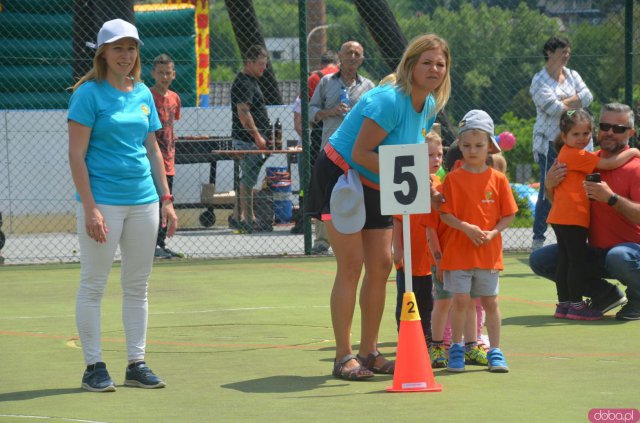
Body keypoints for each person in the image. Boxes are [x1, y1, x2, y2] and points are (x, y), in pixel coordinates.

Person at [307, 33, 451, 380]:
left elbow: (406, 155)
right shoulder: (388, 100)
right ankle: (343, 357)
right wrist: (406, 182)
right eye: (427, 62)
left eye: (440, 64)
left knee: (383, 264)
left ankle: (369, 352)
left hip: (378, 180)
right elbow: (360, 154)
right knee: (352, 265)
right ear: (410, 65)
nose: (434, 69)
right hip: (343, 176)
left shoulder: (429, 105)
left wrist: (424, 187)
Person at [68, 18, 177, 392]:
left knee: (137, 285)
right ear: (103, 53)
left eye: (131, 49)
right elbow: (77, 155)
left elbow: (152, 149)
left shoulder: (143, 92)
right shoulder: (87, 95)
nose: (126, 56)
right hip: (104, 203)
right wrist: (90, 207)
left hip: (143, 201)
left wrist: (166, 199)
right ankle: (93, 367)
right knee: (94, 285)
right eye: (118, 48)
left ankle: (136, 363)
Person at [530, 103, 640, 321]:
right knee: (541, 259)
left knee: (619, 256)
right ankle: (604, 295)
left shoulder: (635, 167)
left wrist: (612, 199)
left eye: (618, 128)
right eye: (605, 126)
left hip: (630, 253)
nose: (609, 132)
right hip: (594, 252)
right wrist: (550, 185)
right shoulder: (583, 159)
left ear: (631, 133)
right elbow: (562, 203)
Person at [438, 110, 517, 373]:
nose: (473, 150)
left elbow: (508, 215)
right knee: (460, 301)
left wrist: (493, 233)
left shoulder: (499, 179)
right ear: (459, 145)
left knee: (490, 303)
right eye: (467, 145)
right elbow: (445, 214)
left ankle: (495, 351)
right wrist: (466, 227)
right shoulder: (452, 179)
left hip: (488, 254)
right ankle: (457, 350)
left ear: (490, 147)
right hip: (458, 254)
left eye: (479, 145)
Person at [308, 41, 375, 254]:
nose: (353, 57)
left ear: (362, 59)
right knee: (328, 193)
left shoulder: (369, 87)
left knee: (360, 191)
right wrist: (330, 112)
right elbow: (311, 111)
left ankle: (360, 237)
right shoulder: (326, 82)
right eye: (349, 53)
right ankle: (322, 241)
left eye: (357, 53)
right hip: (331, 149)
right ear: (340, 56)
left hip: (359, 150)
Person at [530, 36, 593, 251]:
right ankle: (538, 238)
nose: (566, 56)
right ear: (549, 52)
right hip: (550, 142)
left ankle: (580, 235)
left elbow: (588, 97)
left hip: (580, 142)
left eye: (568, 52)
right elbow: (553, 109)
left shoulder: (572, 74)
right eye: (562, 52)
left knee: (581, 186)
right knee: (549, 187)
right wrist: (575, 100)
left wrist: (563, 103)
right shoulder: (539, 80)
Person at [392, 131, 443, 343]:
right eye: (430, 155)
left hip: (430, 256)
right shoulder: (406, 183)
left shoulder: (438, 183)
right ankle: (407, 335)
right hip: (410, 257)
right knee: (407, 298)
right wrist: (398, 248)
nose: (437, 160)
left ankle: (429, 337)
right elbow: (396, 218)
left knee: (429, 301)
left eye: (439, 155)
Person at [230, 45, 272, 232]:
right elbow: (243, 111)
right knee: (248, 179)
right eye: (261, 64)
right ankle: (248, 219)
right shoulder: (244, 83)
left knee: (247, 178)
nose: (264, 68)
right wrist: (257, 137)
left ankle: (237, 216)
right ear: (249, 63)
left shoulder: (251, 81)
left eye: (265, 64)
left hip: (252, 139)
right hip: (248, 140)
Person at [149, 53, 182, 259]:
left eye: (168, 73)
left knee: (166, 203)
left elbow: (172, 123)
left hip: (169, 160)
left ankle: (160, 243)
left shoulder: (175, 98)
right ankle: (150, 245)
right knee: (153, 204)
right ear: (153, 73)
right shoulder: (148, 96)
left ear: (174, 75)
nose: (164, 77)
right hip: (152, 160)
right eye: (160, 73)